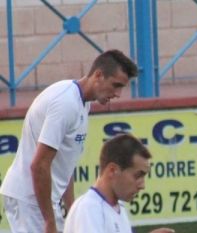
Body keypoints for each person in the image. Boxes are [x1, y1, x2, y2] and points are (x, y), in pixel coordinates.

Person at [0, 49, 137, 233]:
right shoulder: (66, 103)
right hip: (30, 199)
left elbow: (66, 162)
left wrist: (71, 208)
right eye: (116, 85)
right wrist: (49, 221)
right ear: (98, 75)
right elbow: (39, 165)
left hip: (41, 200)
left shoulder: (82, 102)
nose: (118, 93)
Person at [63, 134, 174, 233]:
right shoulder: (89, 209)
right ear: (112, 170)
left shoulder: (117, 206)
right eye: (137, 175)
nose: (142, 185)